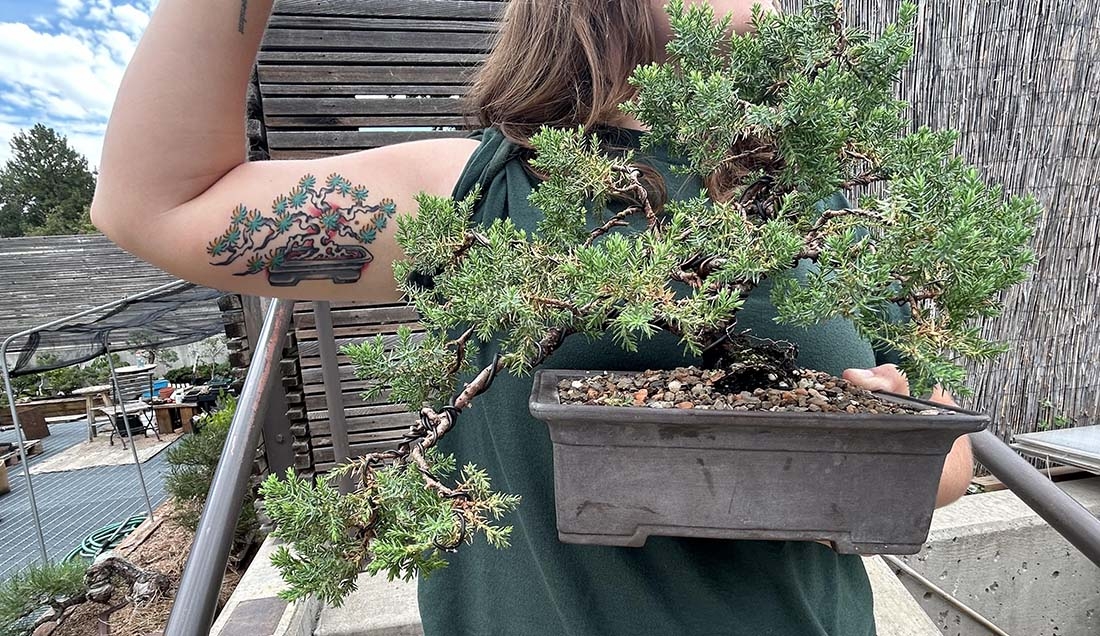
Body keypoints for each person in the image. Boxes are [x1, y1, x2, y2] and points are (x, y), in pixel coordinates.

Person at [92, 1, 974, 634]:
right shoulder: (472, 196)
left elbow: (951, 468)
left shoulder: (832, 215)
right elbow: (157, 206)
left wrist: (882, 429)